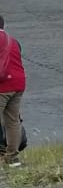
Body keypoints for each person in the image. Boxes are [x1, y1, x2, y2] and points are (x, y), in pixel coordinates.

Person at [0, 16, 27, 166]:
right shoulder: (13, 41)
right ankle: (12, 157)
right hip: (18, 83)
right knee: (13, 121)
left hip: (2, 86)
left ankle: (2, 153)